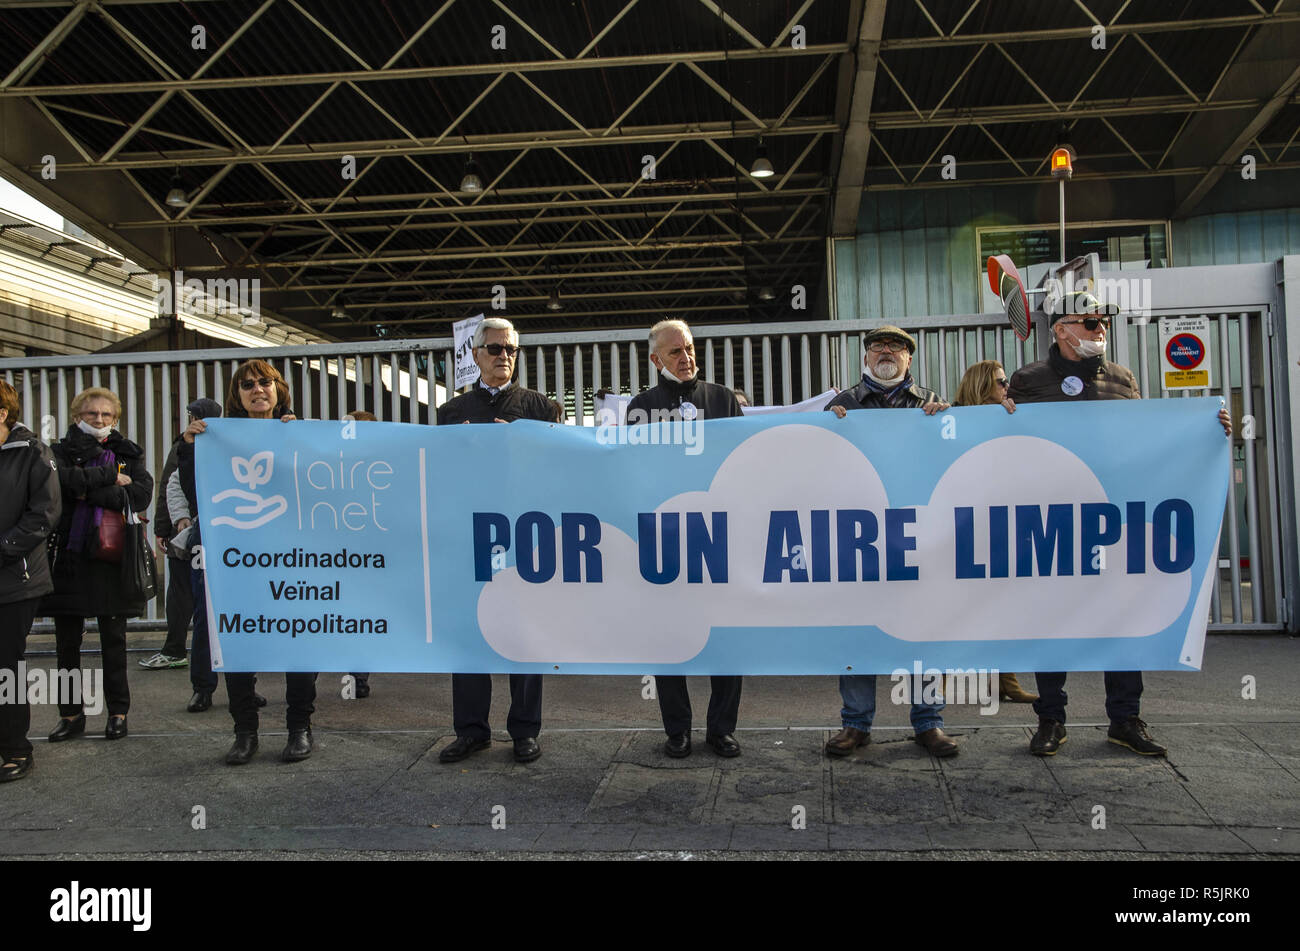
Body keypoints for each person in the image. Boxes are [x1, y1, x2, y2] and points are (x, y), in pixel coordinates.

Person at [1008, 292, 1232, 757]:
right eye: (1088, 322)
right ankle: (1051, 719)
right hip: (1055, 520)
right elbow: (1012, 442)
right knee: (1052, 621)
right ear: (1061, 329)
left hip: (1113, 520)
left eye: (1103, 321)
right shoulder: (1028, 380)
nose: (1099, 328)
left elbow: (1147, 440)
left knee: (1122, 617)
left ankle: (1124, 719)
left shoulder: (1122, 378)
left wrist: (1207, 432)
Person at [823, 325, 960, 758]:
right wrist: (829, 429)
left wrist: (952, 424)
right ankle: (856, 724)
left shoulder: (932, 404)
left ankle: (929, 722)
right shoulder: (841, 405)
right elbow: (820, 466)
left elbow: (953, 463)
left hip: (917, 536)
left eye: (896, 348)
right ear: (866, 359)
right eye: (878, 347)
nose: (886, 353)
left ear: (909, 360)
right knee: (859, 629)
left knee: (922, 628)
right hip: (859, 538)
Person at [179, 360, 314, 765]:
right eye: (248, 384)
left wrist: (303, 441)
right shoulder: (214, 439)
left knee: (300, 641)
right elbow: (194, 492)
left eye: (265, 382)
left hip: (294, 558)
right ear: (236, 396)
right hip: (236, 560)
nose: (258, 389)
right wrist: (189, 448)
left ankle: (300, 728)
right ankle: (245, 732)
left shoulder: (302, 433)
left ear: (279, 388)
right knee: (239, 640)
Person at [626, 318, 745, 759]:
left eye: (690, 348)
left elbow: (741, 463)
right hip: (666, 535)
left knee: (725, 635)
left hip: (718, 535)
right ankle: (677, 729)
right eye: (676, 351)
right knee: (668, 635)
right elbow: (637, 471)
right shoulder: (640, 406)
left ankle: (721, 729)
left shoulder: (722, 399)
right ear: (656, 359)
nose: (686, 356)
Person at [436, 317, 550, 765]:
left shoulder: (543, 409)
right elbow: (442, 477)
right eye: (495, 348)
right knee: (468, 633)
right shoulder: (450, 413)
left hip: (524, 534)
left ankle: (524, 730)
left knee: (523, 633)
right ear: (475, 355)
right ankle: (471, 731)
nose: (503, 355)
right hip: (469, 535)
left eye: (510, 349)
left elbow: (559, 471)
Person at [42, 387, 153, 743]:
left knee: (114, 641)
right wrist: (108, 479)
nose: (100, 420)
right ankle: (70, 715)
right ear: (78, 416)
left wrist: (88, 491)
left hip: (112, 558)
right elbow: (61, 484)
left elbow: (140, 495)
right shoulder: (58, 452)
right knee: (66, 644)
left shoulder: (127, 452)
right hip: (70, 559)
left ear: (115, 418)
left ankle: (118, 714)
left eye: (107, 415)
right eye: (92, 414)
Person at [952, 360, 1036, 704]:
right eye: (1001, 382)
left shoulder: (1009, 417)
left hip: (999, 520)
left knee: (1002, 603)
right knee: (957, 606)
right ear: (981, 385)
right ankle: (948, 677)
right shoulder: (951, 418)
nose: (1007, 388)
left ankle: (1005, 678)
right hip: (960, 523)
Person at [0, 381, 61, 781]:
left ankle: (14, 748)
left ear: (2, 413)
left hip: (14, 580)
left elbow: (45, 513)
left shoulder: (32, 452)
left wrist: (4, 547)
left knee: (5, 666)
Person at [140, 398, 221, 675]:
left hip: (186, 532)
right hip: (190, 529)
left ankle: (174, 650)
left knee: (182, 593)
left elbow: (169, 487)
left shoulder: (187, 444)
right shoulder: (201, 442)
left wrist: (164, 527)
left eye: (192, 414)